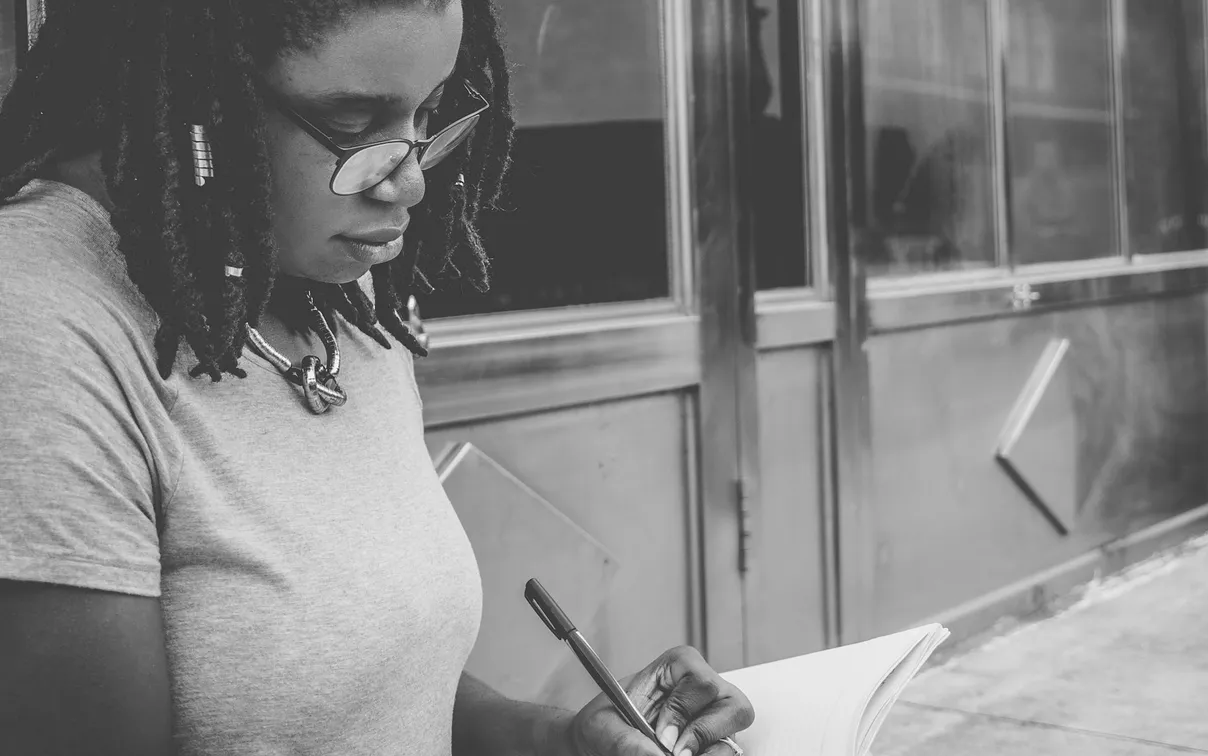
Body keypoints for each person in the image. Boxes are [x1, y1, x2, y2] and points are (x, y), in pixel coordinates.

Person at [0, 1, 753, 755]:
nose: (410, 183)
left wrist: (555, 741)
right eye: (356, 123)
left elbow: (353, 690)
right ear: (200, 92)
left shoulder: (332, 288)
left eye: (428, 113)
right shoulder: (36, 327)